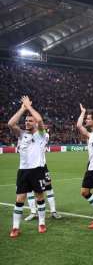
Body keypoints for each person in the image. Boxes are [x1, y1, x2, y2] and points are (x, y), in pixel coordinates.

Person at [8, 96, 49, 238]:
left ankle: (42, 223)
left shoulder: (41, 135)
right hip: (23, 171)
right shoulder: (21, 134)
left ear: (35, 124)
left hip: (37, 170)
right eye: (26, 120)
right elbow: (11, 124)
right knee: (20, 199)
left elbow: (40, 120)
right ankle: (15, 227)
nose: (27, 122)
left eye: (30, 120)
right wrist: (22, 108)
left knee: (39, 197)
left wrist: (30, 107)